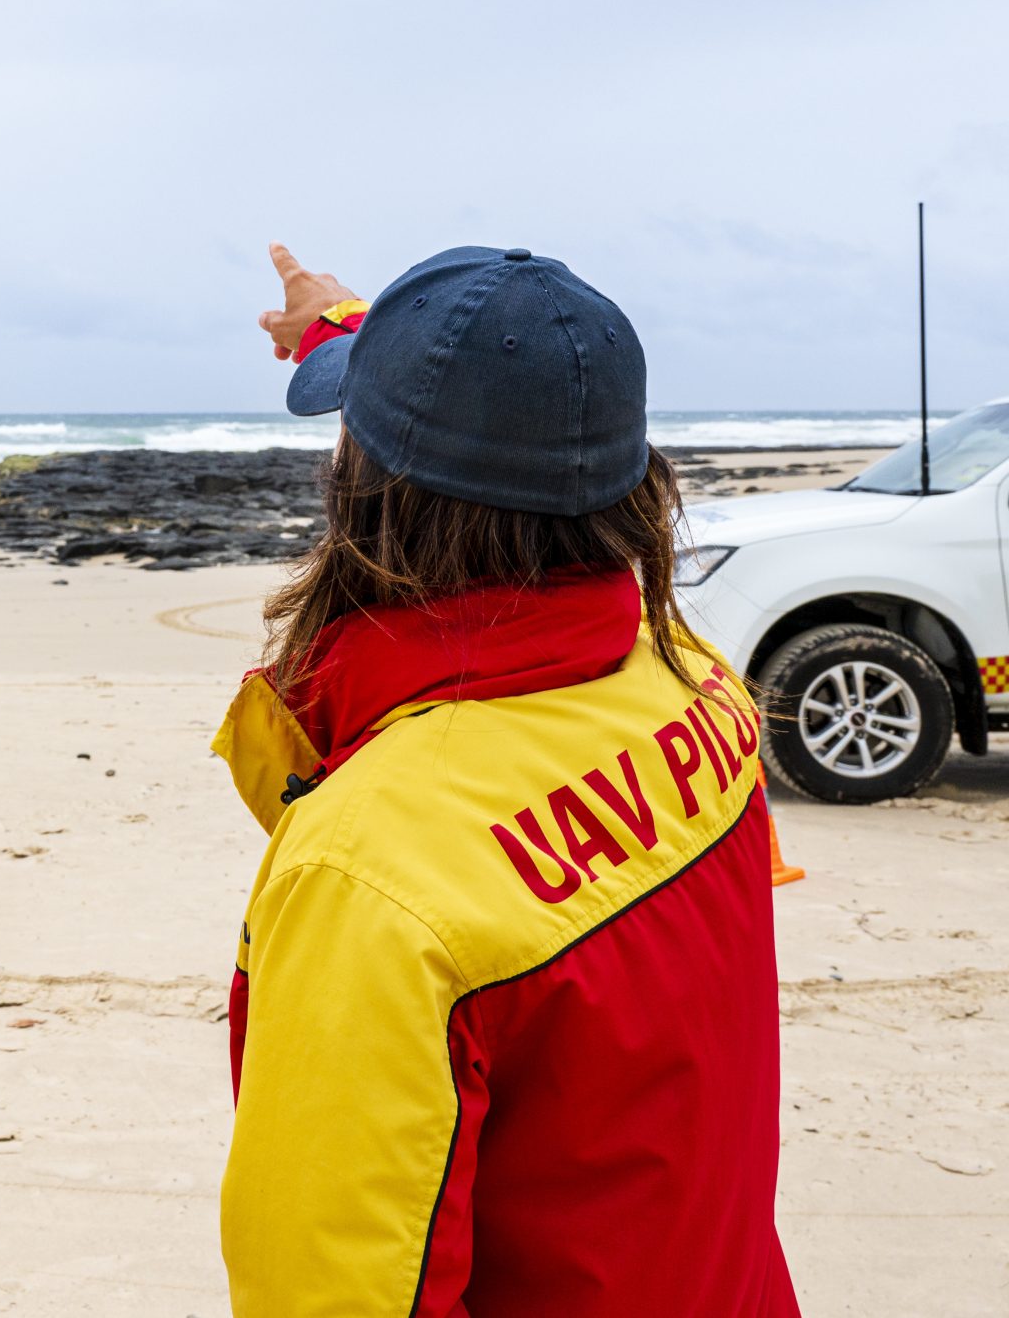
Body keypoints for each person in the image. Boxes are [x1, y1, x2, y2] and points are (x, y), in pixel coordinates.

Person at [217, 243, 798, 1316]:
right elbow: (508, 412)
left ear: (363, 482)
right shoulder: (691, 680)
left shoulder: (369, 872)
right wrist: (339, 325)